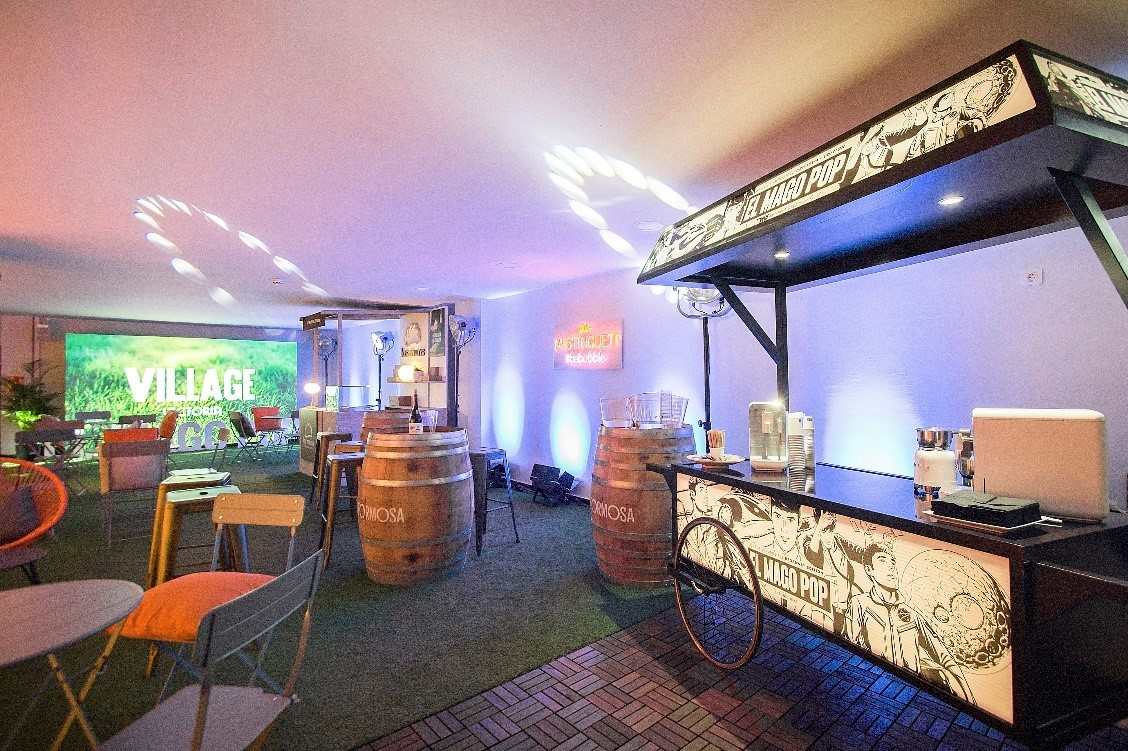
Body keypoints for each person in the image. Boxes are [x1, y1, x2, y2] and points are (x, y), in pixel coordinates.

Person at [846, 544, 975, 704]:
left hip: (910, 693)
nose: (891, 567)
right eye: (882, 560)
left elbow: (942, 654)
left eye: (893, 562)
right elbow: (852, 643)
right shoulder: (860, 603)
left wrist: (969, 699)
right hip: (874, 684)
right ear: (869, 569)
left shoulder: (911, 612)